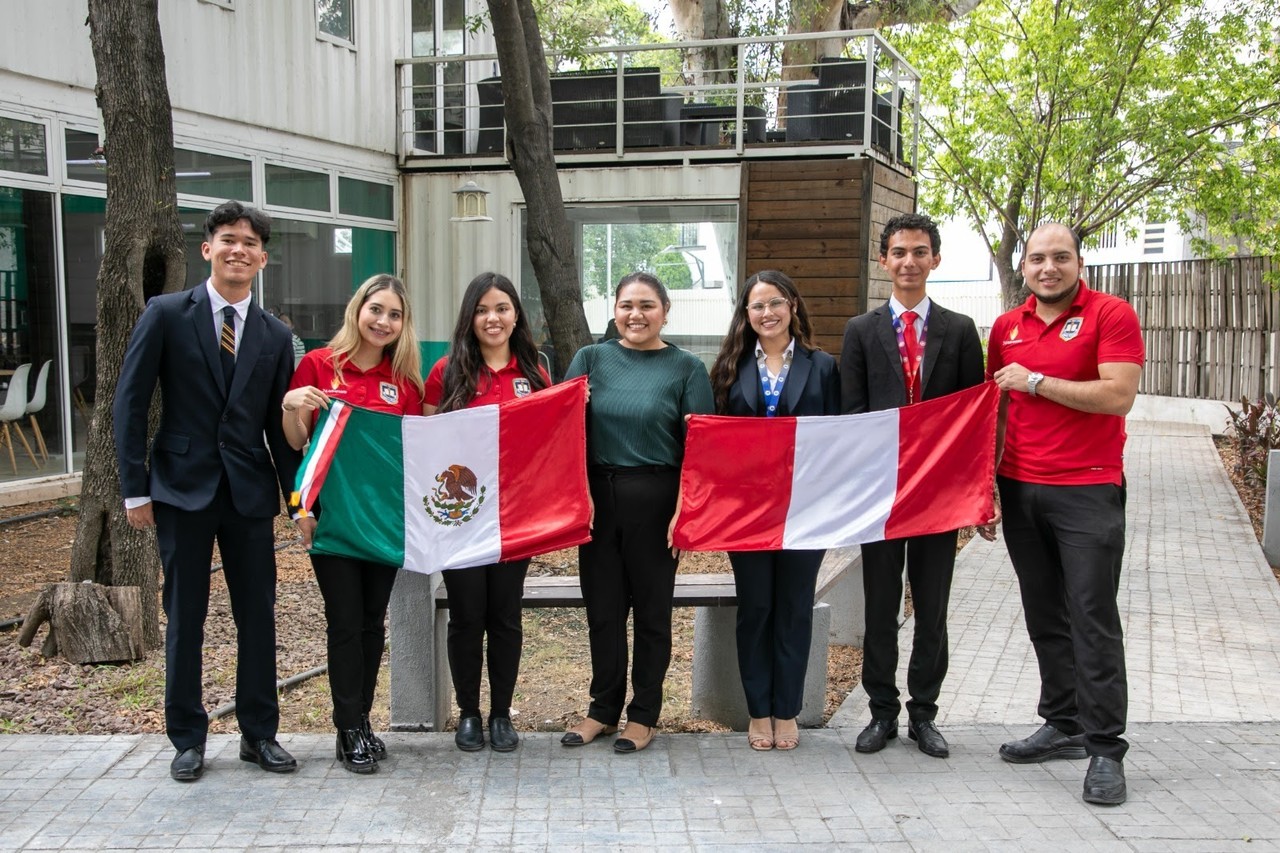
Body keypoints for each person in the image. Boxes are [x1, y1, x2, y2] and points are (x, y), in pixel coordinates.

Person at [113, 200, 301, 782]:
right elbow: (130, 401)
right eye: (227, 239)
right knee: (185, 614)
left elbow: (279, 426)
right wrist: (133, 489)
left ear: (263, 258)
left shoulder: (275, 334)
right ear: (208, 248)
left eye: (249, 242)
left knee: (257, 616)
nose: (238, 250)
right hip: (179, 489)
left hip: (247, 494)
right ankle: (187, 739)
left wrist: (297, 499)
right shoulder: (167, 313)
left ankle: (259, 734)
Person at [980, 222, 1143, 805]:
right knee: (1044, 612)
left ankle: (1105, 749)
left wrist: (1039, 380)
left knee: (1092, 617)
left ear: (1078, 262)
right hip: (1020, 488)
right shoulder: (1006, 327)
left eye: (1060, 257)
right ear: (1023, 267)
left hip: (1088, 490)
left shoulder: (1110, 315)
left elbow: (1118, 394)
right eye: (1037, 259)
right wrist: (987, 486)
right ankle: (1063, 722)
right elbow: (996, 408)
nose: (1048, 268)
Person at [839, 212, 984, 760]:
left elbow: (972, 417)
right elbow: (852, 416)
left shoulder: (961, 330)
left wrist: (975, 492)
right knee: (880, 606)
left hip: (939, 496)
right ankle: (881, 712)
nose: (909, 261)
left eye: (920, 252)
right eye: (898, 252)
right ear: (883, 260)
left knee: (932, 606)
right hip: (880, 495)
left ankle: (925, 712)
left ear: (935, 260)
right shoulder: (860, 331)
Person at [561, 272, 713, 753]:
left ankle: (643, 714)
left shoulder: (687, 368)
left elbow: (703, 446)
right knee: (603, 613)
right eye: (627, 304)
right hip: (597, 501)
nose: (636, 314)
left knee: (651, 614)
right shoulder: (590, 359)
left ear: (665, 311)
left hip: (658, 499)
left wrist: (685, 510)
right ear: (614, 310)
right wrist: (571, 405)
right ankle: (602, 709)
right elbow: (560, 433)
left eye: (647, 305)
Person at [280, 274, 425, 774]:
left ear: (403, 325)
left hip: (384, 523)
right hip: (334, 521)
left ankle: (361, 721)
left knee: (371, 623)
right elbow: (298, 444)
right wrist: (292, 405)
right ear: (357, 310)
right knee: (344, 623)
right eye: (376, 310)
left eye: (394, 314)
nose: (383, 321)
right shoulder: (319, 365)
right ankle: (348, 729)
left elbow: (414, 456)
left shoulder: (405, 383)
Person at [707, 270, 839, 751]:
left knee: (794, 609)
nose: (768, 313)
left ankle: (788, 711)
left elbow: (840, 438)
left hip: (807, 509)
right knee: (756, 608)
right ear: (746, 314)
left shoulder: (822, 366)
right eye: (758, 305)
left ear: (793, 307)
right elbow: (713, 440)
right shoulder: (728, 367)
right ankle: (757, 711)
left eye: (776, 302)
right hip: (748, 513)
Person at [424, 272, 551, 754]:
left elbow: (548, 441)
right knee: (466, 615)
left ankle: (501, 713)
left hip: (515, 517)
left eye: (501, 308)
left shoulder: (536, 371)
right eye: (482, 310)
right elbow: (429, 443)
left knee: (505, 616)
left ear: (516, 313)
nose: (492, 318)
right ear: (469, 318)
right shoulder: (447, 371)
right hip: (462, 516)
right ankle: (469, 714)